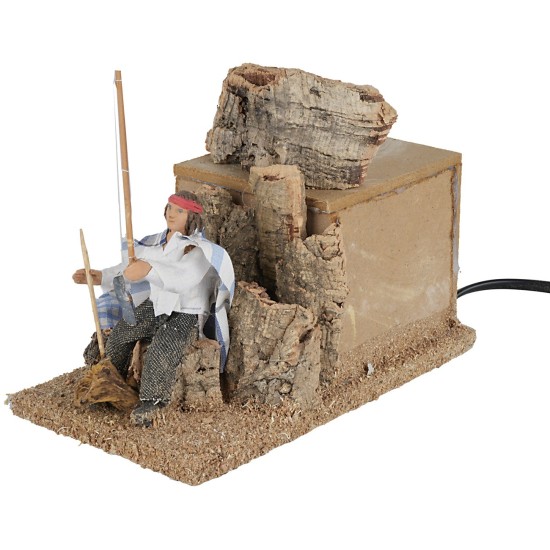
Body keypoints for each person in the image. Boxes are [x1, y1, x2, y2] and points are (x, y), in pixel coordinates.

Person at [74, 190, 235, 426]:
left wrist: (149, 270)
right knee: (122, 333)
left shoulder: (200, 250)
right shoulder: (155, 245)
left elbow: (183, 278)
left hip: (186, 311)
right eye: (170, 207)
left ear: (192, 216)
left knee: (163, 348)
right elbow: (129, 267)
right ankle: (109, 381)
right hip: (157, 304)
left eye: (179, 210)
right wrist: (101, 277)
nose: (172, 214)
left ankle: (153, 402)